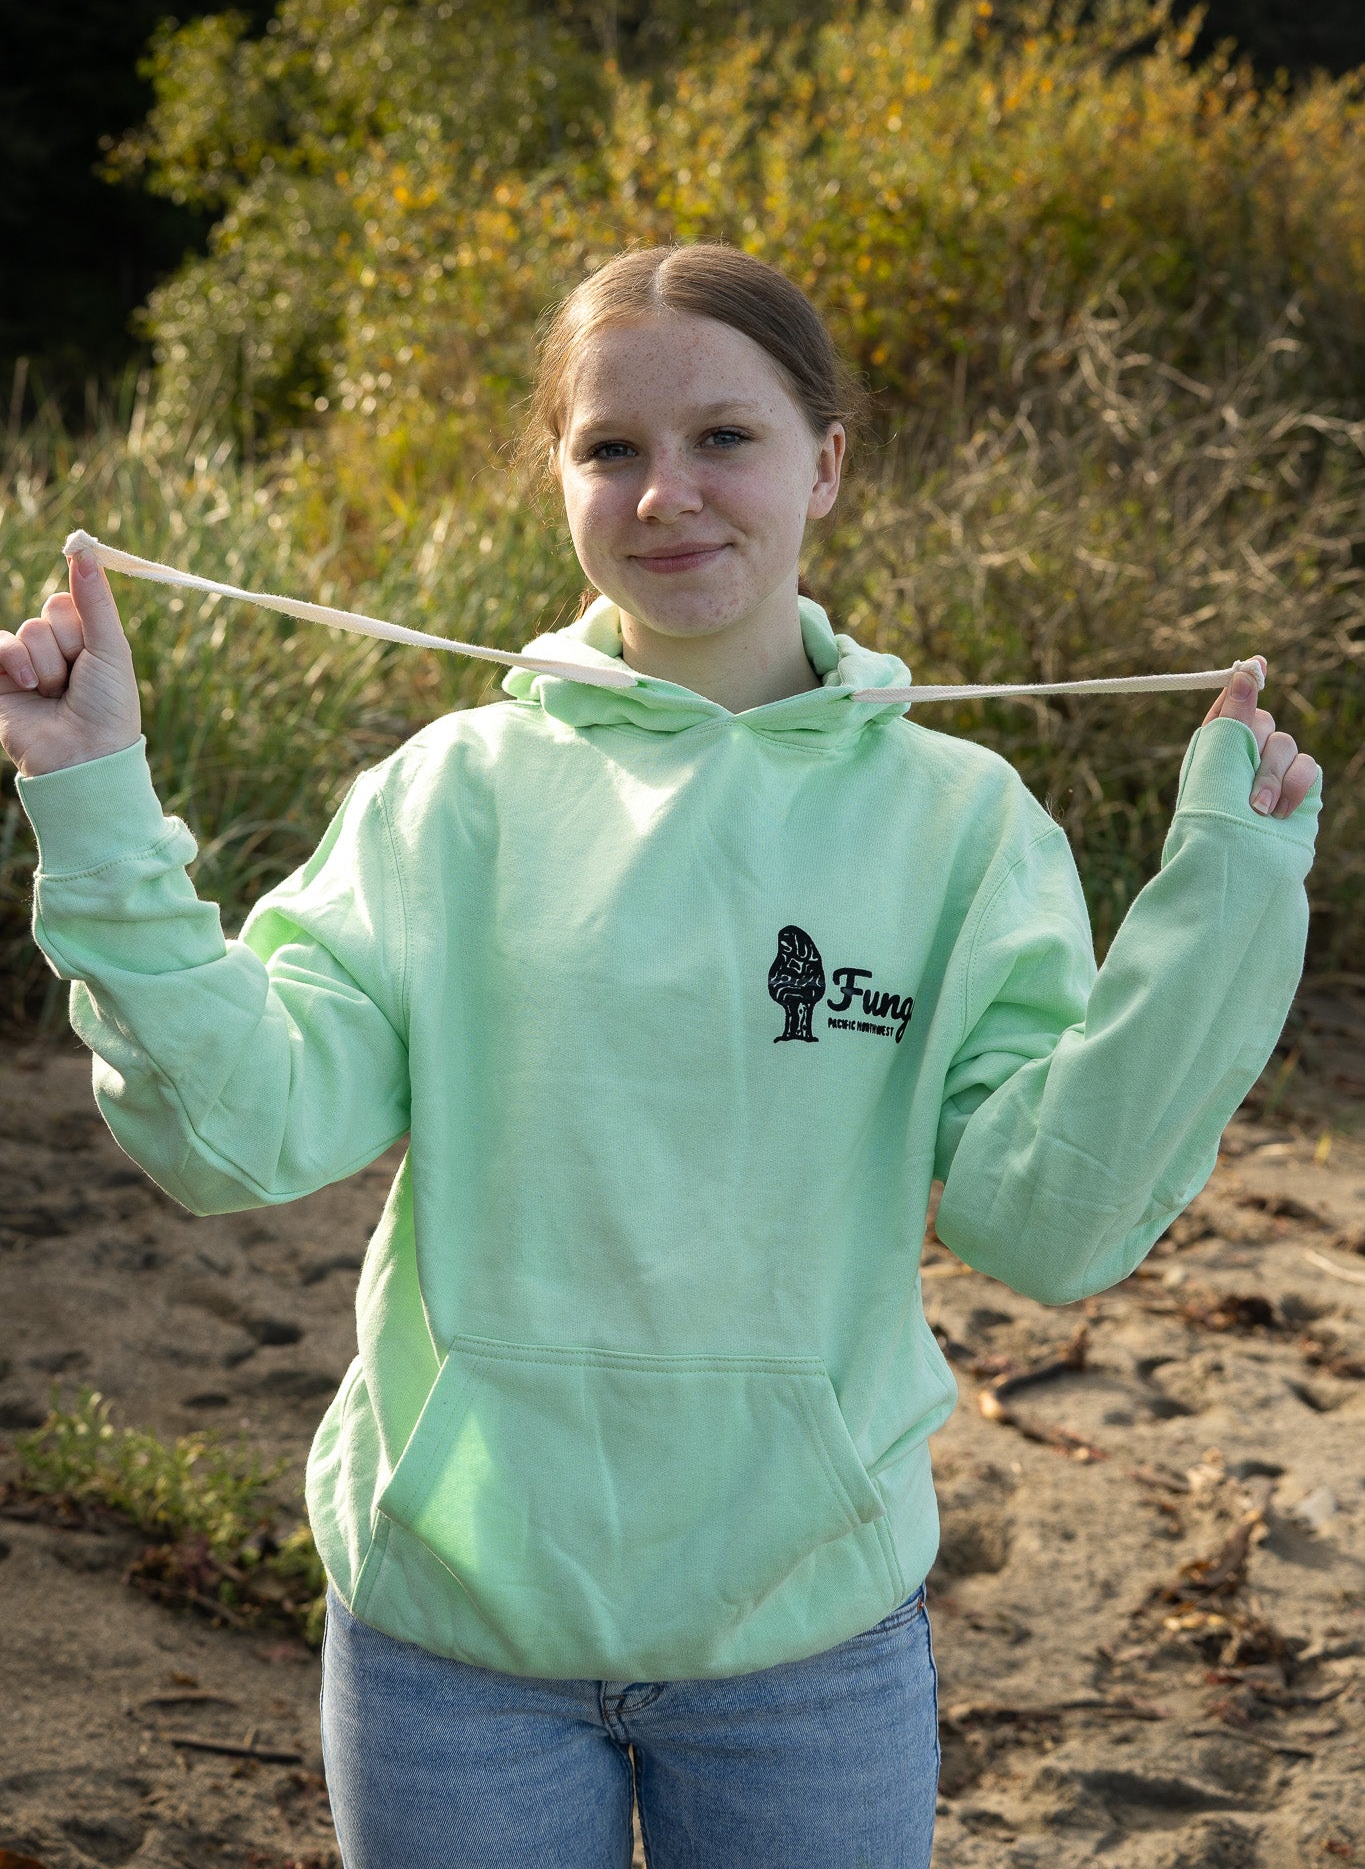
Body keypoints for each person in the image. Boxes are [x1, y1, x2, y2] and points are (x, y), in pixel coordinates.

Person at [0, 243, 1321, 1869]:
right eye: (609, 448)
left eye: (726, 439)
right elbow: (238, 1137)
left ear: (825, 462)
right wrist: (96, 797)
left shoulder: (960, 822)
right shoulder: (448, 796)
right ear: (555, 476)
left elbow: (1045, 1225)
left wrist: (1226, 903)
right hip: (452, 1643)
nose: (665, 495)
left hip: (804, 1639)